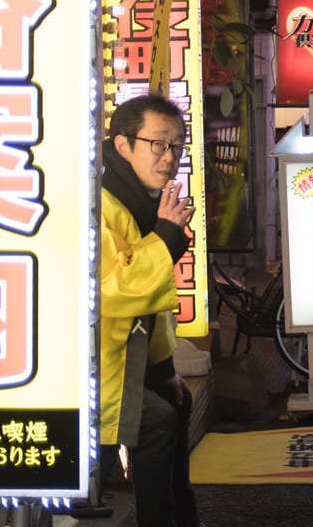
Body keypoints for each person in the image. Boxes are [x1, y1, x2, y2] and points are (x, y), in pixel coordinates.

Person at [100, 94, 199, 527]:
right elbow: (112, 290)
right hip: (94, 370)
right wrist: (166, 239)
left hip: (125, 361)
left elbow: (151, 305)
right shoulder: (101, 203)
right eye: (158, 144)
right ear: (123, 144)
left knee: (176, 402)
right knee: (157, 420)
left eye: (177, 145)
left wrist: (165, 370)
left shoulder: (138, 198)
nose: (170, 156)